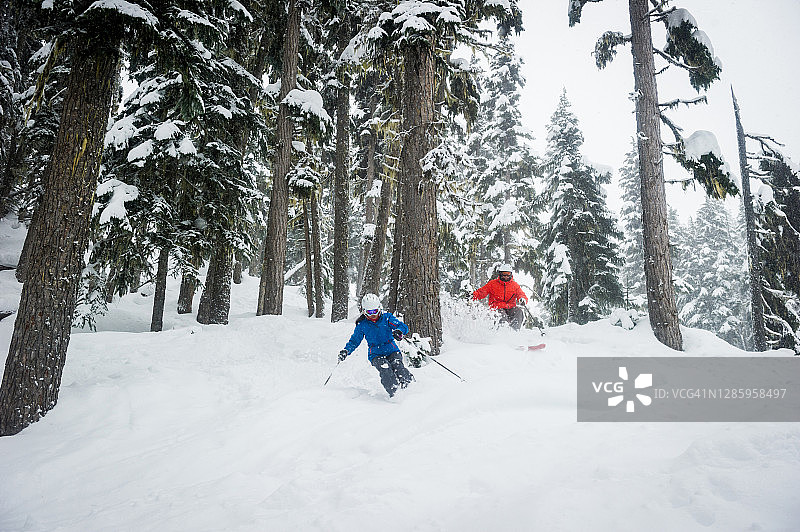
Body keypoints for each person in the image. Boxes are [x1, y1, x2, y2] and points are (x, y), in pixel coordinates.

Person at [339, 293, 414, 397]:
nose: (372, 315)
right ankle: (396, 394)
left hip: (392, 350)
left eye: (375, 311)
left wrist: (399, 331)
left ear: (379, 308)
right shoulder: (362, 325)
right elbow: (354, 341)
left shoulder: (387, 318)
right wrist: (346, 351)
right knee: (385, 370)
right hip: (376, 355)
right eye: (369, 312)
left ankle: (411, 389)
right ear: (364, 312)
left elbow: (402, 326)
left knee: (398, 366)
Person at [471, 263, 529, 330]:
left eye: (508, 274)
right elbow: (481, 292)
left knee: (519, 312)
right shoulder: (492, 284)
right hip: (497, 307)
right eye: (504, 274)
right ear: (500, 274)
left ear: (511, 274)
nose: (506, 276)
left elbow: (521, 294)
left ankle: (514, 331)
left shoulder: (514, 285)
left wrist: (522, 299)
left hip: (510, 307)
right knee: (501, 315)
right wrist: (473, 296)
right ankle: (501, 332)